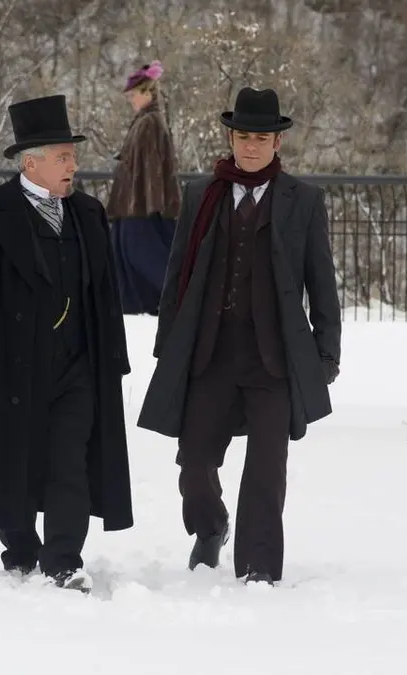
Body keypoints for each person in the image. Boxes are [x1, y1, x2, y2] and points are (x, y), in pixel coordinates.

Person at [136, 87, 342, 586]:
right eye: (244, 136)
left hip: (274, 361)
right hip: (211, 354)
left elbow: (322, 282)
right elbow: (177, 276)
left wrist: (326, 354)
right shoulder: (201, 195)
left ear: (277, 142)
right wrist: (168, 346)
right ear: (231, 138)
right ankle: (210, 528)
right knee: (194, 462)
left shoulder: (303, 201)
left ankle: (258, 569)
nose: (251, 146)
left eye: (261, 138)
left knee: (266, 473)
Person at [0, 94, 134, 594]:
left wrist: (112, 357)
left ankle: (64, 560)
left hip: (77, 365)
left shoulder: (88, 213)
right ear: (31, 163)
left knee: (71, 461)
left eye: (73, 156)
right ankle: (21, 551)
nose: (73, 166)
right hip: (12, 364)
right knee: (17, 459)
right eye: (64, 157)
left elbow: (104, 291)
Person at [105, 60, 181, 315]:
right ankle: (140, 304)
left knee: (140, 251)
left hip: (141, 203)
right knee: (124, 250)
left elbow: (152, 167)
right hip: (135, 201)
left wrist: (151, 202)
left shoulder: (150, 123)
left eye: (134, 95)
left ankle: (175, 298)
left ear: (147, 93)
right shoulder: (147, 120)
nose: (131, 101)